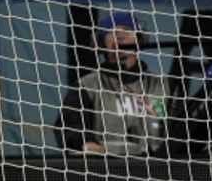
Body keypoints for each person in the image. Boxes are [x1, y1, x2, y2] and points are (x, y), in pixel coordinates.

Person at [56, 11, 171, 156]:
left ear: (139, 39)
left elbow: (180, 125)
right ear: (101, 43)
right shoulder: (87, 85)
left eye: (127, 30)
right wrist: (86, 142)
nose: (120, 36)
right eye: (112, 32)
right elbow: (67, 125)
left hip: (159, 169)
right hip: (107, 170)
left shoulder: (162, 85)